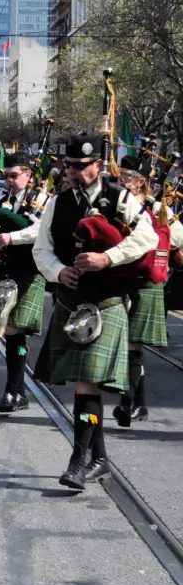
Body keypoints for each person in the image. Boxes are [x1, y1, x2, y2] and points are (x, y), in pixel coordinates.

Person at [33, 134, 158, 491]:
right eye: (69, 166)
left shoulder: (121, 198)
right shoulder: (58, 204)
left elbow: (147, 238)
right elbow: (43, 249)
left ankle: (77, 462)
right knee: (85, 385)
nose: (73, 172)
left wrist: (108, 258)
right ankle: (98, 459)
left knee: (87, 383)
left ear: (97, 166)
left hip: (107, 301)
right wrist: (59, 272)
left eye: (80, 166)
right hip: (71, 301)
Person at [0, 151, 48, 413]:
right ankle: (17, 392)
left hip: (29, 271)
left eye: (14, 176)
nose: (8, 181)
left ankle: (13, 391)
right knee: (5, 330)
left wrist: (13, 237)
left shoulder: (42, 199)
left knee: (15, 330)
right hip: (3, 269)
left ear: (28, 175)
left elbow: (42, 229)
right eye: (6, 176)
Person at [113, 155, 177, 427]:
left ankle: (127, 404)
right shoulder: (113, 203)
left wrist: (161, 222)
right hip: (118, 277)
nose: (122, 180)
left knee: (133, 344)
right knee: (125, 344)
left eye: (128, 176)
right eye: (120, 175)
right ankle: (138, 404)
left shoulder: (158, 208)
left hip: (146, 280)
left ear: (141, 182)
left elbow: (178, 239)